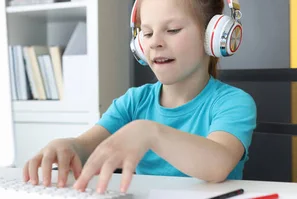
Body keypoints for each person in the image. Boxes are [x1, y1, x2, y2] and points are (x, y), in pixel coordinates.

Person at [22, 0, 257, 194]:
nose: (155, 42)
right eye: (147, 33)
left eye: (173, 30)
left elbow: (218, 164)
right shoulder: (134, 102)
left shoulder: (233, 103)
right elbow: (85, 147)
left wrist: (150, 133)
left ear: (212, 37)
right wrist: (67, 146)